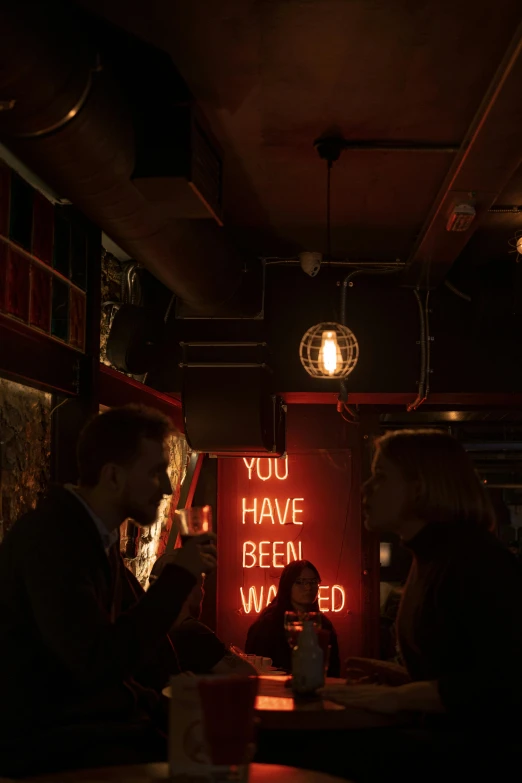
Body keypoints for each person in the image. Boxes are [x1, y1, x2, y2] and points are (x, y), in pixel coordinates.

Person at [0, 405, 217, 778]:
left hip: (88, 735)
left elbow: (124, 663)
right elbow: (99, 663)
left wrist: (180, 704)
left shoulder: (96, 539)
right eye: (155, 473)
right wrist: (179, 577)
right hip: (47, 749)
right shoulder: (52, 540)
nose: (167, 488)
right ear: (113, 477)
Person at [319, 429, 522, 777]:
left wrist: (401, 697)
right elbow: (459, 668)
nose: (366, 488)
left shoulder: (476, 560)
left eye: (380, 476)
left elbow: (505, 680)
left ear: (420, 486)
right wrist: (402, 679)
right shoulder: (433, 556)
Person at [245, 559, 340, 676]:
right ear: (287, 586)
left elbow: (333, 669)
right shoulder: (267, 625)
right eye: (300, 582)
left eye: (313, 582)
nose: (308, 587)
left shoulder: (324, 625)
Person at [161, 571, 257, 675]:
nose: (203, 592)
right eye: (201, 586)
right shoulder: (194, 632)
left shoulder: (159, 632)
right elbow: (249, 674)